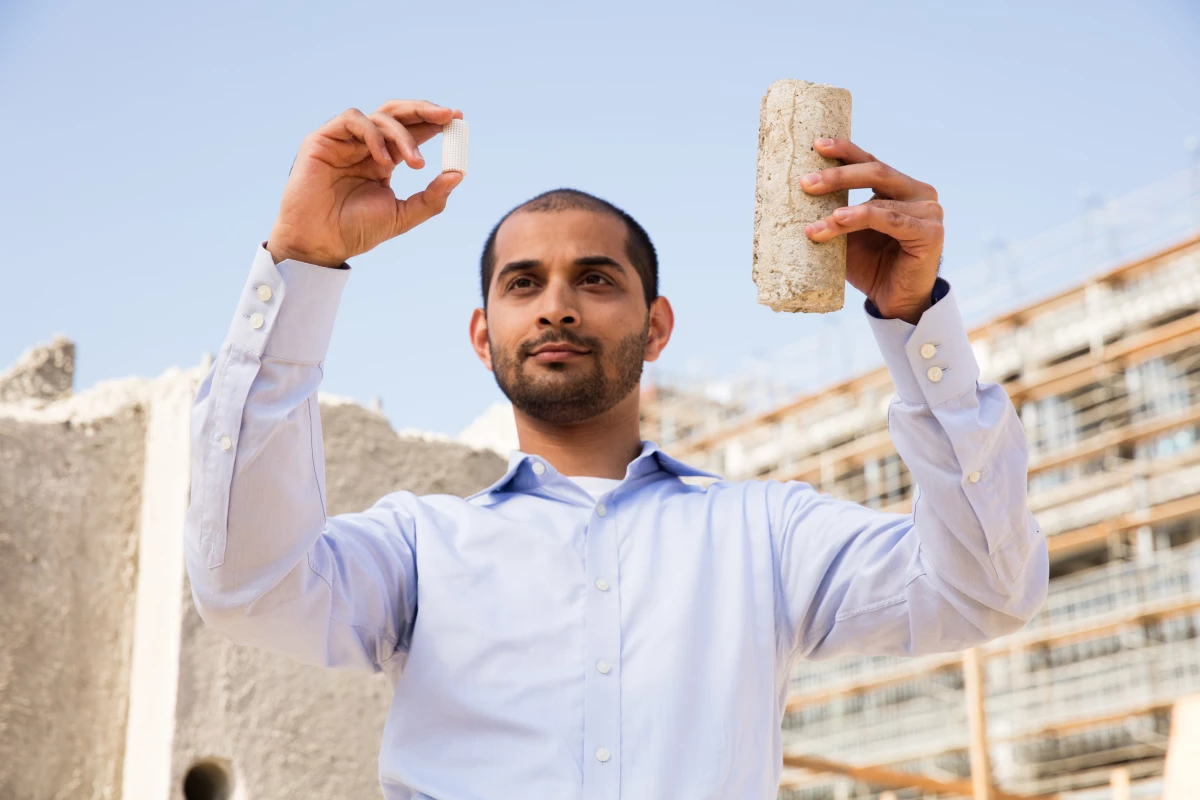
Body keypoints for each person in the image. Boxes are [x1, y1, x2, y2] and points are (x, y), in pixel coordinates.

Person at [183, 98, 1049, 799]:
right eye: (525, 284)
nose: (557, 306)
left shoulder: (766, 533)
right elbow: (246, 587)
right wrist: (299, 261)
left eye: (595, 279)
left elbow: (986, 593)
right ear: (484, 337)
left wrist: (914, 319)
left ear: (657, 327)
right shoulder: (416, 548)